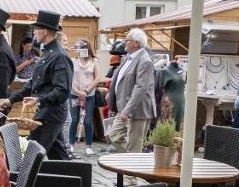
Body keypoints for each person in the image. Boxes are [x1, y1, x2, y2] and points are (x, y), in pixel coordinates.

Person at [0, 10, 73, 160]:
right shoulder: (47, 53)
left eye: (36, 30)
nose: (34, 33)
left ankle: (26, 182)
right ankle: (72, 181)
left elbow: (62, 91)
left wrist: (38, 100)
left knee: (31, 152)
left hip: (52, 113)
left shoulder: (59, 56)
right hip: (46, 112)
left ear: (45, 31)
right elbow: (33, 83)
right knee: (58, 155)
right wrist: (12, 100)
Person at [107, 28, 156, 158]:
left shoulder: (145, 60)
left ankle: (132, 174)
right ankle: (133, 161)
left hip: (138, 110)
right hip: (123, 106)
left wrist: (127, 111)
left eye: (127, 40)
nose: (124, 42)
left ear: (136, 43)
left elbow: (141, 88)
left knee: (134, 145)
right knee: (114, 136)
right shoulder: (128, 58)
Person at [68, 39, 103, 156]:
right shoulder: (73, 61)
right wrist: (77, 91)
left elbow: (97, 78)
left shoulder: (94, 61)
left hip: (89, 95)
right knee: (73, 120)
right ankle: (71, 144)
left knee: (88, 120)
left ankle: (88, 145)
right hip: (74, 94)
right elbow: (70, 78)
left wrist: (87, 90)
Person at [158, 59, 186, 131]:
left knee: (179, 122)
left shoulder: (182, 71)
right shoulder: (164, 71)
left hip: (181, 100)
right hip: (169, 101)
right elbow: (160, 87)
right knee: (168, 124)